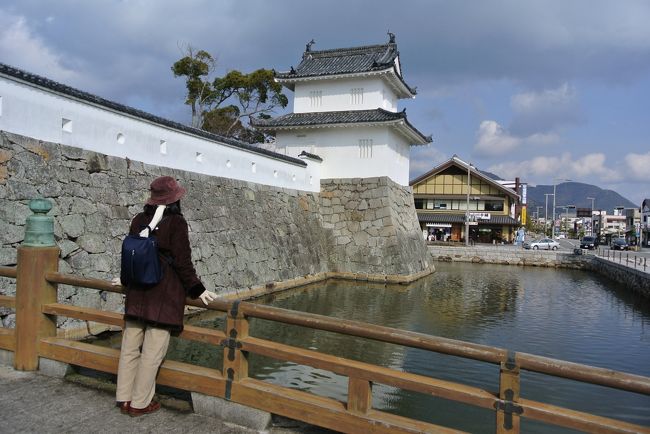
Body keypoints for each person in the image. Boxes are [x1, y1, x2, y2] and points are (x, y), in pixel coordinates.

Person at [113, 176, 217, 417]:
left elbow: (130, 255)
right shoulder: (175, 222)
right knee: (152, 352)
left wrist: (124, 280)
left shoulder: (139, 219)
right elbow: (182, 262)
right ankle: (140, 404)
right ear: (174, 200)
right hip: (163, 294)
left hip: (137, 292)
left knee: (129, 347)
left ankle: (124, 397)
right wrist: (199, 290)